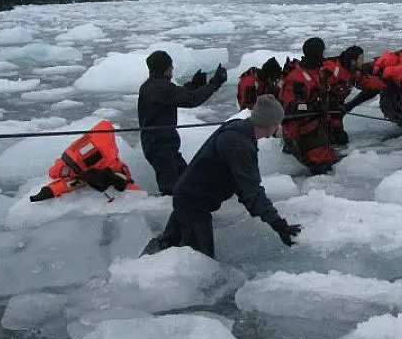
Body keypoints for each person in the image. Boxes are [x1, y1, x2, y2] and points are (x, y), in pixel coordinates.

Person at [141, 95, 301, 259]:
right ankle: (141, 271)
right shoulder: (239, 143)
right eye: (278, 123)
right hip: (194, 205)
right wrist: (279, 225)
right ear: (271, 124)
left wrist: (257, 209)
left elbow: (242, 184)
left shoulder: (238, 132)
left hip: (188, 198)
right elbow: (252, 190)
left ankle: (142, 267)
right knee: (203, 263)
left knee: (166, 246)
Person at [138, 50, 227, 196]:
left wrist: (193, 85)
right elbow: (192, 100)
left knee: (186, 182)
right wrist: (214, 83)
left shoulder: (151, 86)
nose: (172, 69)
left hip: (161, 145)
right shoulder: (161, 87)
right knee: (172, 190)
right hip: (161, 147)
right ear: (165, 68)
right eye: (170, 66)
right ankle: (174, 214)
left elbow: (177, 95)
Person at [279, 37, 340, 174]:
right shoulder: (297, 78)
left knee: (333, 161)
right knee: (322, 168)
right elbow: (290, 108)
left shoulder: (318, 72)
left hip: (317, 129)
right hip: (300, 132)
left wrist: (333, 106)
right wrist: (312, 108)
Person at [319, 45, 385, 145]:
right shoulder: (330, 69)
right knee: (326, 141)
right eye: (361, 59)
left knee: (341, 139)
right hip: (322, 110)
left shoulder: (353, 72)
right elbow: (317, 91)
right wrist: (329, 107)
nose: (363, 61)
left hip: (336, 109)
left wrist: (386, 84)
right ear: (353, 61)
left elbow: (367, 83)